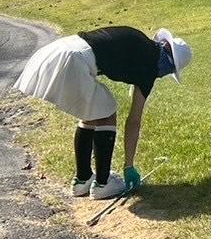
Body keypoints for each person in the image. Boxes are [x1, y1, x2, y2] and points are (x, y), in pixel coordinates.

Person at [15, 25, 192, 198]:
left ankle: (83, 180)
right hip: (73, 59)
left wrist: (128, 165)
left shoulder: (140, 42)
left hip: (58, 50)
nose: (163, 73)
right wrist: (128, 167)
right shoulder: (149, 66)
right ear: (168, 60)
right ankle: (103, 183)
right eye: (170, 68)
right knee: (106, 111)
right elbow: (134, 121)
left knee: (92, 112)